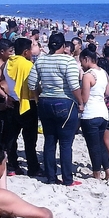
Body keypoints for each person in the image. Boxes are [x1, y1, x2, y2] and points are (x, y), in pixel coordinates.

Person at [27, 32, 82, 186]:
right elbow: (74, 85)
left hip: (45, 102)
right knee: (65, 143)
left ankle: (51, 177)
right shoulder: (68, 61)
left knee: (49, 141)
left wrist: (40, 96)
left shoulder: (41, 61)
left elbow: (31, 84)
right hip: (65, 103)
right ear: (64, 46)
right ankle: (67, 179)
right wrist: (81, 102)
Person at [2, 37, 42, 178]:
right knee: (30, 139)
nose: (32, 52)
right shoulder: (28, 65)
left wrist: (7, 95)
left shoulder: (8, 63)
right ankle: (33, 168)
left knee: (11, 137)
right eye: (31, 50)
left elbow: (2, 81)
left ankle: (12, 165)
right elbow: (34, 86)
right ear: (25, 52)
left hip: (12, 101)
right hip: (27, 102)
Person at [76, 48, 109, 181]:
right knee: (101, 144)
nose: (81, 65)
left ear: (86, 59)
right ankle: (108, 172)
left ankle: (96, 173)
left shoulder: (88, 75)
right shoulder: (104, 73)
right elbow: (107, 93)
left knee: (93, 146)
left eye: (81, 62)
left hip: (90, 113)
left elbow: (84, 98)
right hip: (103, 113)